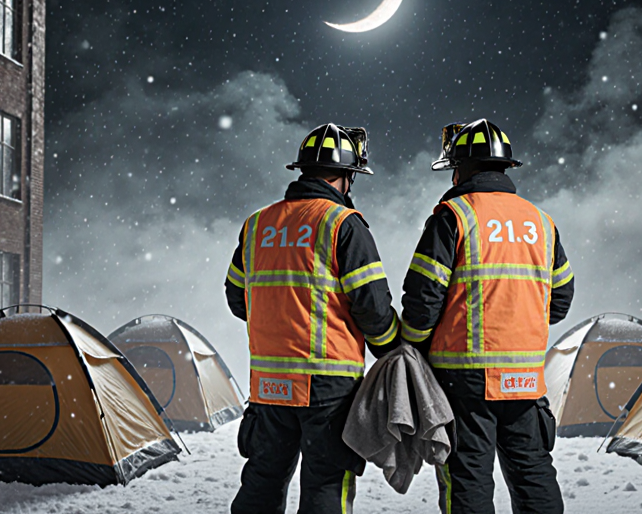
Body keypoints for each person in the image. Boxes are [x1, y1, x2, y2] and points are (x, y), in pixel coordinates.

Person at [225, 123, 401, 514]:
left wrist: (278, 324)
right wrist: (393, 350)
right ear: (347, 176)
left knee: (262, 479)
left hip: (270, 382)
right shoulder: (343, 224)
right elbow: (372, 306)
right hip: (328, 384)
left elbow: (237, 298)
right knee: (325, 484)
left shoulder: (258, 225)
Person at [400, 119, 574, 514]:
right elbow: (560, 300)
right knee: (533, 472)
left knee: (468, 477)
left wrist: (411, 345)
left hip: (464, 380)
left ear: (461, 168)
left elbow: (423, 298)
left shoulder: (453, 215)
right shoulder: (540, 222)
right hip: (525, 380)